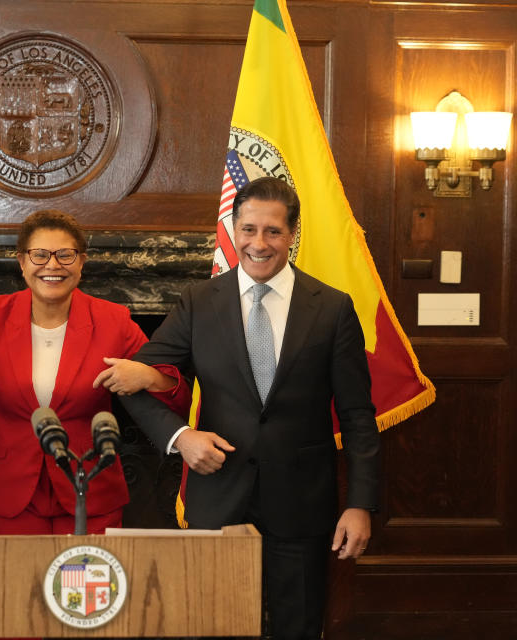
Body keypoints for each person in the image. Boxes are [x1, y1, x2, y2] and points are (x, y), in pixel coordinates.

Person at [119, 177, 380, 640]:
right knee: (214, 626)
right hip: (217, 497)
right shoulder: (198, 302)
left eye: (273, 232)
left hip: (301, 506)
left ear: (293, 234)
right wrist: (182, 438)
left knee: (297, 628)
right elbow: (134, 381)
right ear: (233, 230)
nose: (259, 244)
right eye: (249, 229)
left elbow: (359, 416)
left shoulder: (332, 309)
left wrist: (360, 505)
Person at [0, 209, 190, 535]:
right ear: (21, 261)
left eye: (65, 255)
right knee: (12, 587)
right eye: (40, 255)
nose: (52, 265)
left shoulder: (113, 321)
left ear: (81, 262)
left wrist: (149, 377)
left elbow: (176, 391)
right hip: (6, 494)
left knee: (85, 586)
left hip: (89, 489)